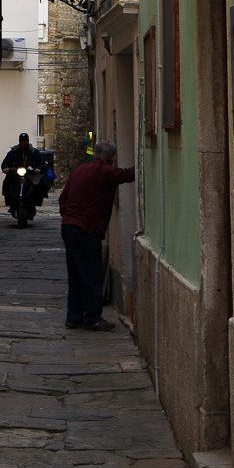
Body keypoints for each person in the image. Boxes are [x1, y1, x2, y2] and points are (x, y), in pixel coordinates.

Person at [59, 139, 135, 331]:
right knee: (91, 273)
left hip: (69, 226)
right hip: (86, 228)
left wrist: (69, 215)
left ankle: (73, 316)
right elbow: (127, 175)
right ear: (112, 157)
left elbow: (63, 198)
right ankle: (92, 317)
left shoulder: (78, 170)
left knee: (75, 273)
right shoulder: (106, 171)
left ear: (94, 154)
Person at [1, 132, 48, 210]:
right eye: (22, 140)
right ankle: (9, 201)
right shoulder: (13, 151)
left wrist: (39, 168)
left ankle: (37, 200)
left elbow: (41, 162)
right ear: (19, 141)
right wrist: (6, 168)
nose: (23, 142)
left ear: (28, 141)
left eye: (25, 140)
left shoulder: (33, 151)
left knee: (41, 183)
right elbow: (6, 162)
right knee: (6, 183)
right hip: (15, 173)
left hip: (30, 173)